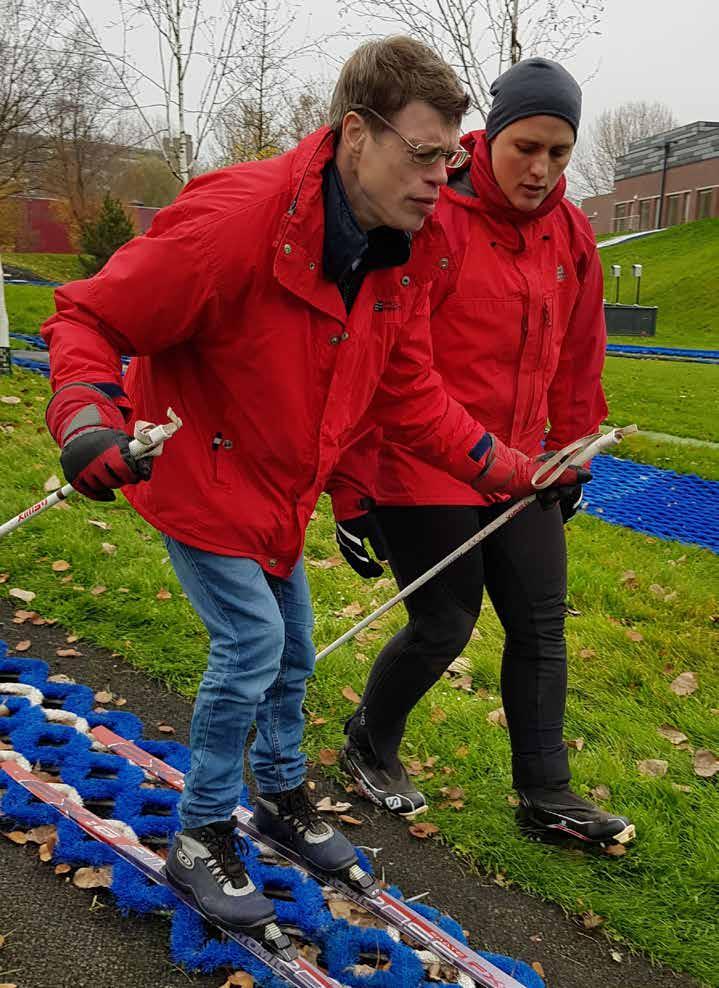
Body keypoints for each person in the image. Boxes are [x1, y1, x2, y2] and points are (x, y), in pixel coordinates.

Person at [41, 39, 587, 936]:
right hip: (198, 466)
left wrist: (516, 473)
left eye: (448, 158)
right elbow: (90, 312)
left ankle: (283, 798)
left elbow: (407, 393)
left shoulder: (397, 248)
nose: (436, 179)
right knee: (252, 646)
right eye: (420, 156)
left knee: (294, 650)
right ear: (354, 136)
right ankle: (201, 829)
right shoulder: (236, 222)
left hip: (277, 489)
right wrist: (86, 420)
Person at [338, 57, 636, 849]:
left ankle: (547, 793)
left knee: (540, 625)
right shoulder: (432, 212)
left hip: (526, 463)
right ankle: (368, 740)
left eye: (559, 153)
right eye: (525, 148)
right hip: (423, 460)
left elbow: (579, 353)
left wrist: (571, 454)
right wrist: (351, 488)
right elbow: (381, 360)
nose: (540, 170)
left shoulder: (570, 231)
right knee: (444, 622)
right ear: (491, 136)